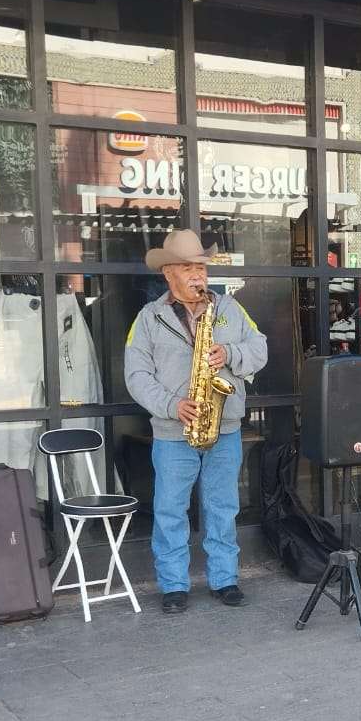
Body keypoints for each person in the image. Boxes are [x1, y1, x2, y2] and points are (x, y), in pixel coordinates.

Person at [124, 229, 268, 614]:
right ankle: (173, 585)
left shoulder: (229, 308)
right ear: (168, 273)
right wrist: (172, 405)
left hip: (224, 428)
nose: (198, 275)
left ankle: (225, 579)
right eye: (188, 267)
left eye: (201, 267)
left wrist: (231, 353)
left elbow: (260, 348)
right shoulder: (148, 318)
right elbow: (136, 375)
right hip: (173, 431)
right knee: (170, 510)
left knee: (223, 507)